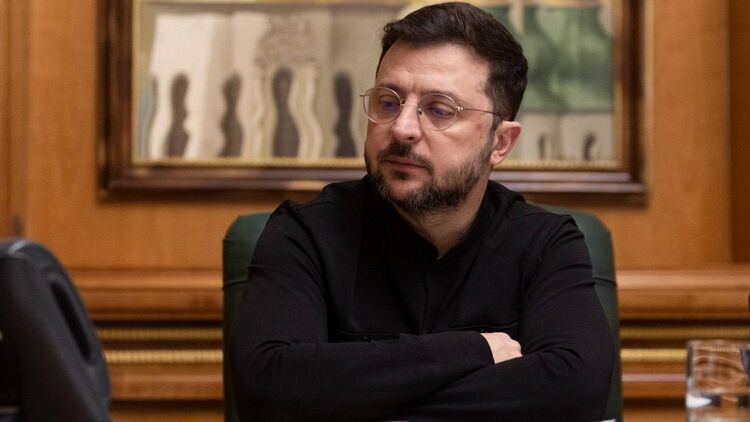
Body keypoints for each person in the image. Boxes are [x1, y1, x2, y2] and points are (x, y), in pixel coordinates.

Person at [229, 2, 614, 421]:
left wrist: (355, 397)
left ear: (500, 142)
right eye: (388, 102)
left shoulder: (546, 244)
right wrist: (474, 349)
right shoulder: (304, 234)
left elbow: (575, 392)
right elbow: (268, 387)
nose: (402, 128)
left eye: (440, 110)